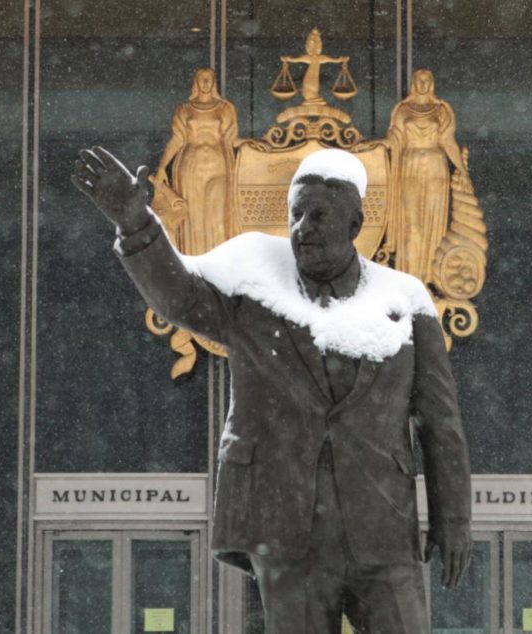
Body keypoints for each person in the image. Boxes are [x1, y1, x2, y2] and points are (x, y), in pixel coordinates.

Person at [72, 146, 471, 634]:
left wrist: (453, 519)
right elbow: (177, 293)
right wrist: (136, 226)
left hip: (381, 528)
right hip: (286, 531)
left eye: (319, 215)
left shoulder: (405, 302)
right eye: (296, 214)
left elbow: (441, 425)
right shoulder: (252, 282)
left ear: (355, 224)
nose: (303, 227)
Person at [386, 69, 472, 282]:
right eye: (419, 80)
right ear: (413, 83)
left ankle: (430, 279)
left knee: (434, 225)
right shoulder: (402, 110)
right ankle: (410, 279)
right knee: (412, 227)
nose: (423, 84)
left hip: (436, 168)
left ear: (431, 83)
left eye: (427, 80)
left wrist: (462, 171)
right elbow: (393, 141)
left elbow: (448, 142)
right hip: (410, 167)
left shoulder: (441, 110)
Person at [153, 67, 238, 254]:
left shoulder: (225, 108)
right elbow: (177, 140)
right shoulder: (184, 110)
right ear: (196, 82)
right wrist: (162, 167)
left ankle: (219, 263)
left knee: (218, 218)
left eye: (209, 79)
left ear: (214, 82)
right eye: (202, 78)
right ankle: (194, 261)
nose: (206, 82)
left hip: (218, 167)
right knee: (193, 218)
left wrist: (253, 145)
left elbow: (231, 141)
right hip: (190, 167)